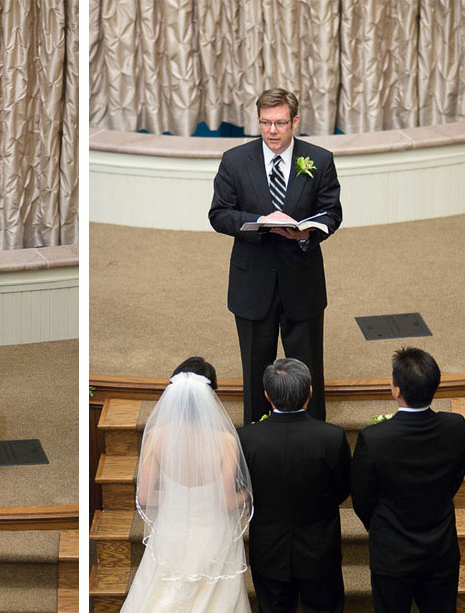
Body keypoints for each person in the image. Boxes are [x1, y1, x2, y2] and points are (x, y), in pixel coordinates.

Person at [208, 88, 343, 424]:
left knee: (308, 365)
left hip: (302, 278)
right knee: (256, 367)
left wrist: (307, 231)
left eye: (280, 123)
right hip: (253, 282)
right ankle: (256, 438)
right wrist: (257, 221)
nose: (272, 130)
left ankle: (313, 437)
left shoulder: (320, 160)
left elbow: (332, 213)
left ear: (295, 121)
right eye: (265, 123)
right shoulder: (235, 161)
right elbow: (219, 214)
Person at [120, 357, 253, 612]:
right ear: (211, 396)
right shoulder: (226, 441)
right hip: (213, 535)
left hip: (172, 531)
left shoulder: (156, 437)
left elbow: (146, 496)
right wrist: (246, 493)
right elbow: (226, 502)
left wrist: (176, 496)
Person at [351, 347, 465, 613]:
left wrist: (382, 524)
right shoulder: (455, 427)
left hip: (392, 554)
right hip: (440, 551)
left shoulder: (374, 439)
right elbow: (456, 477)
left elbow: (362, 497)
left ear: (397, 390)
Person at [238, 358, 350, 613]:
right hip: (319, 550)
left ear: (267, 395)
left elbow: (243, 488)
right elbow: (342, 488)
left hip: (269, 552)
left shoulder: (248, 439)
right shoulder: (331, 437)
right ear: (311, 392)